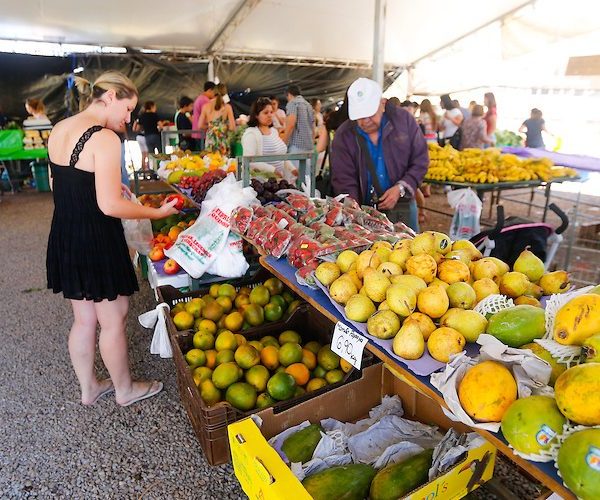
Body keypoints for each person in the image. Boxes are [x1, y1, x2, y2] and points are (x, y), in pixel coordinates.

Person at [46, 71, 179, 407]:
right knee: (114, 315)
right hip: (96, 240)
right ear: (109, 97)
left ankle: (89, 388)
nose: (129, 117)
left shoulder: (60, 129)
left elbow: (58, 185)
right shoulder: (104, 138)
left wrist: (103, 188)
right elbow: (108, 205)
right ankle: (124, 389)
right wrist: (157, 213)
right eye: (128, 108)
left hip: (66, 233)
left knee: (83, 318)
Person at [330, 77, 428, 231]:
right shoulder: (344, 135)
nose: (366, 120)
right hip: (363, 212)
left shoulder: (404, 121)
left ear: (382, 103)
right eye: (360, 116)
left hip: (402, 206)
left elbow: (420, 160)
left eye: (370, 113)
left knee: (410, 251)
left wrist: (401, 188)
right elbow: (343, 178)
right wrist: (354, 211)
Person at [241, 97, 295, 180]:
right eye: (266, 113)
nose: (270, 115)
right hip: (262, 182)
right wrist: (272, 170)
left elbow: (281, 155)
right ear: (256, 115)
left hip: (279, 180)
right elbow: (249, 161)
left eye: (271, 112)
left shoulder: (274, 131)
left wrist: (292, 169)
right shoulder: (251, 134)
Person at [198, 83, 236, 155]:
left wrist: (211, 126)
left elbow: (200, 125)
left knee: (210, 163)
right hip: (223, 140)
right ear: (224, 93)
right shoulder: (227, 107)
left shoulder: (205, 106)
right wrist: (223, 126)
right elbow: (232, 127)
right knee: (224, 164)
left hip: (210, 140)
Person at [282, 84, 314, 156]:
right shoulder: (308, 105)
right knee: (307, 167)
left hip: (297, 147)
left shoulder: (292, 103)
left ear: (289, 94)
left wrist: (283, 144)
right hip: (309, 146)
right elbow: (313, 126)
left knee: (295, 167)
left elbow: (291, 125)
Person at [191, 81, 216, 146]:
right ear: (210, 90)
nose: (214, 95)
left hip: (197, 132)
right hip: (202, 133)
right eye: (214, 92)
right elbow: (208, 117)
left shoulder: (200, 98)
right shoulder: (205, 101)